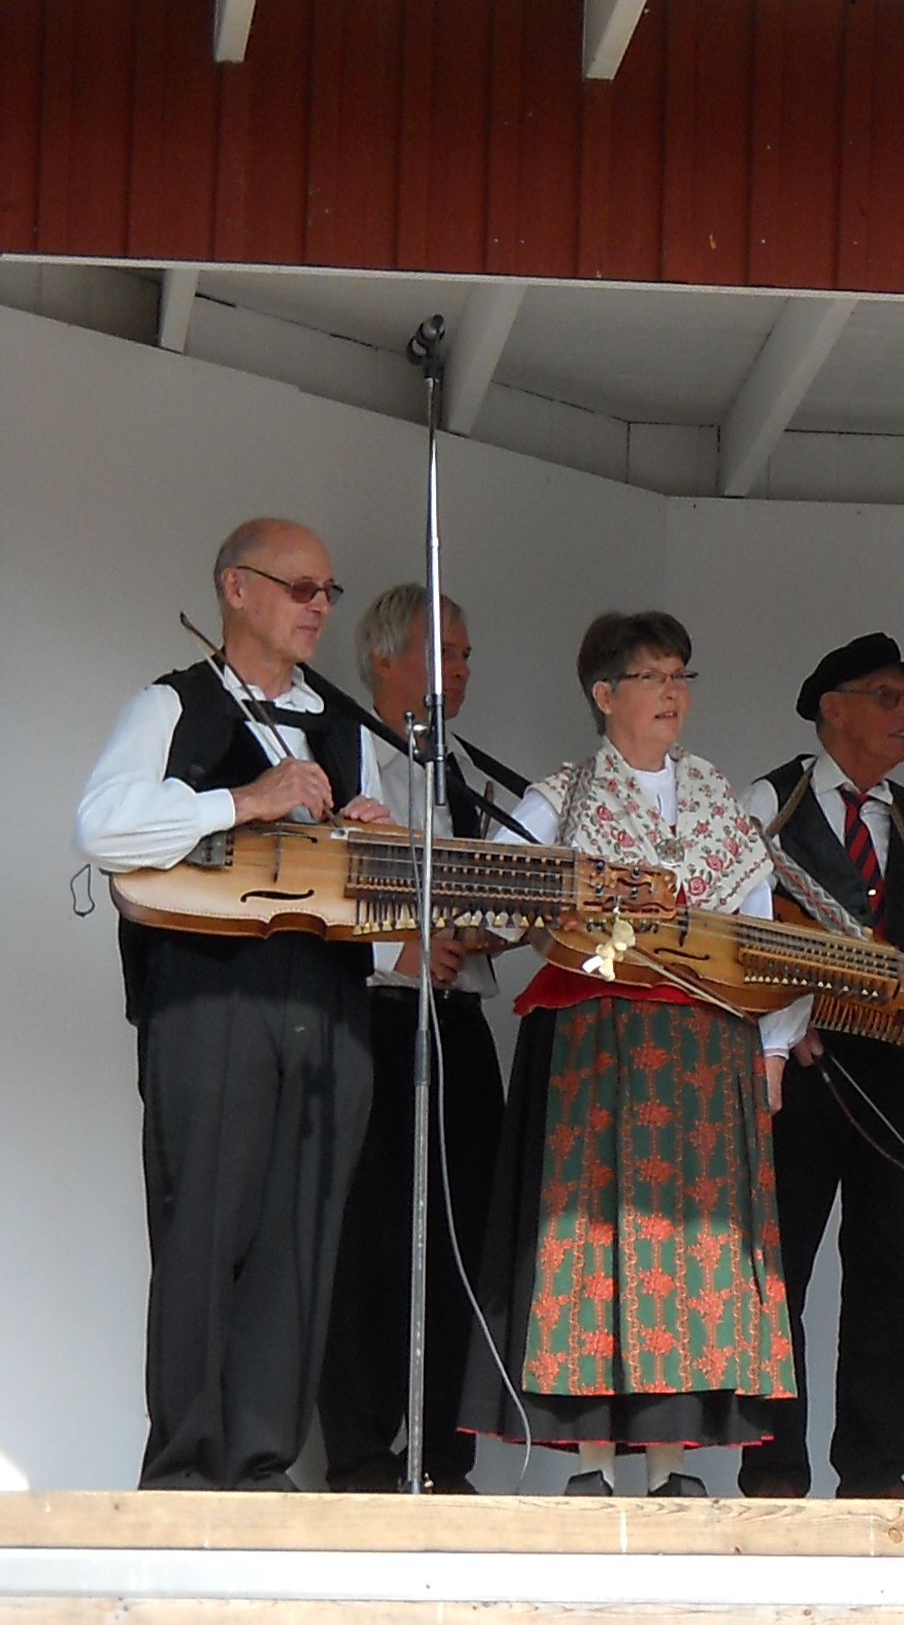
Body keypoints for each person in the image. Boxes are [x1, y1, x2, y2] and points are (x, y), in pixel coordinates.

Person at [76, 519, 389, 1489]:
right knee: (204, 1222)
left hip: (327, 997)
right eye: (301, 588)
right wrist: (242, 802)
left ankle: (261, 1460)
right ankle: (183, 1466)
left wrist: (372, 836)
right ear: (236, 589)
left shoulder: (344, 724)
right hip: (207, 1000)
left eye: (328, 592)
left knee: (304, 1230)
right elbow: (104, 824)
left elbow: (368, 890)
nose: (318, 608)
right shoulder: (170, 704)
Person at [462, 611, 804, 1495]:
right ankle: (593, 1463)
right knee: (594, 1242)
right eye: (652, 677)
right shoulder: (564, 797)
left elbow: (763, 932)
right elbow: (497, 900)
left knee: (692, 1257)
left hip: (702, 1053)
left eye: (682, 675)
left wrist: (771, 1050)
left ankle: (670, 1463)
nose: (672, 694)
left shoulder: (716, 800)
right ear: (603, 694)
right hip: (598, 1054)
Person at [317, 583, 527, 1495]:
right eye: (446, 651)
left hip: (460, 1026)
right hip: (371, 1017)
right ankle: (362, 1459)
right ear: (387, 658)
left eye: (468, 653)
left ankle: (446, 1456)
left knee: (467, 1240)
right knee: (367, 1242)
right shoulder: (336, 749)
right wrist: (398, 940)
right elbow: (302, 877)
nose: (463, 670)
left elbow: (525, 886)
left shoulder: (475, 771)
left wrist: (479, 931)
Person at [739, 633, 904, 1501]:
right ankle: (774, 1468)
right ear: (836, 707)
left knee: (886, 1266)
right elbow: (739, 932)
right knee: (781, 1263)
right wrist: (777, 1036)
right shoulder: (766, 800)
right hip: (799, 1056)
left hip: (891, 1061)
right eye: (889, 697)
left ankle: (874, 1468)